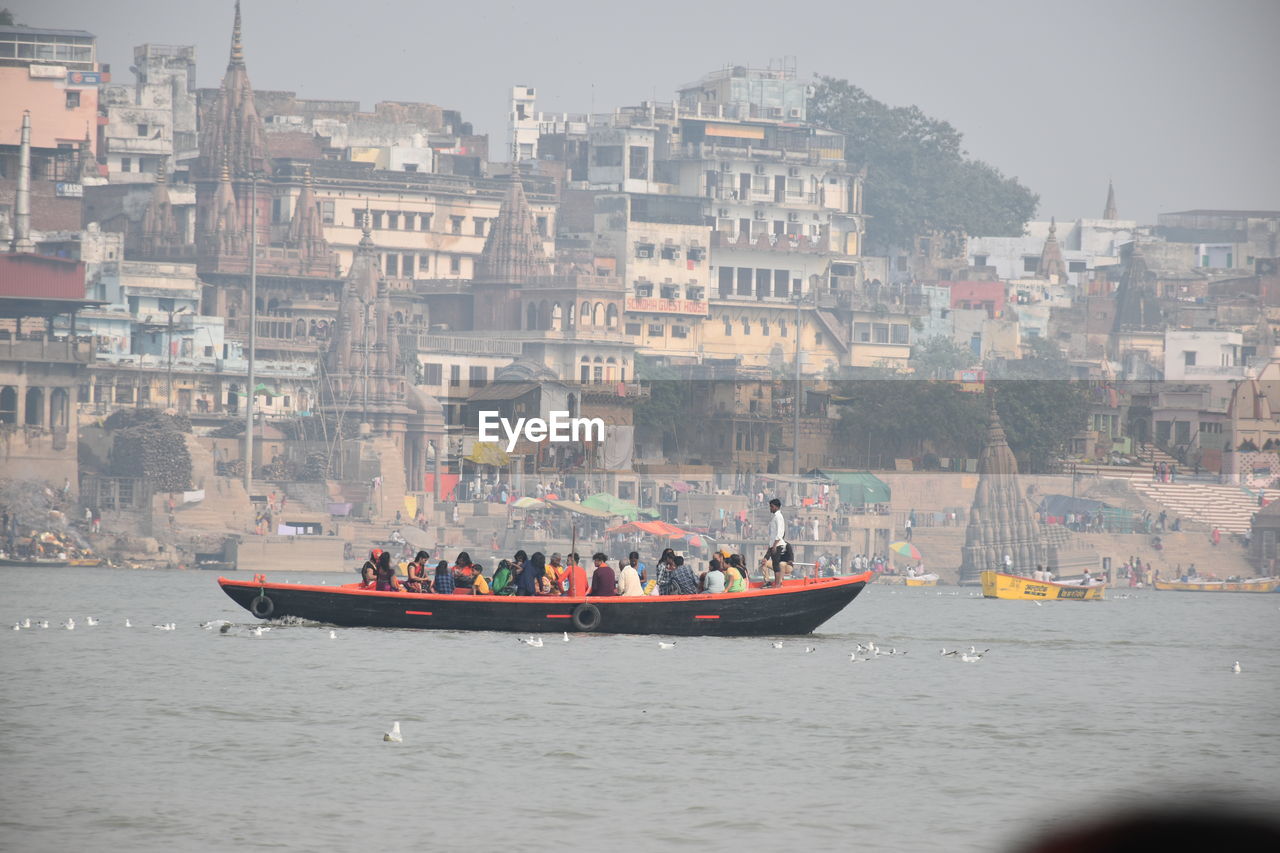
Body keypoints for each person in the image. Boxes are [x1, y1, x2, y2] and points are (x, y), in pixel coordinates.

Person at [767, 497, 791, 588]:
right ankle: (776, 584)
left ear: (776, 507)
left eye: (772, 507)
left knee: (776, 566)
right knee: (775, 565)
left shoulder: (778, 516)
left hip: (777, 544)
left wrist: (774, 545)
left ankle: (777, 585)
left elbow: (780, 532)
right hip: (773, 544)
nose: (770, 508)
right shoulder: (775, 516)